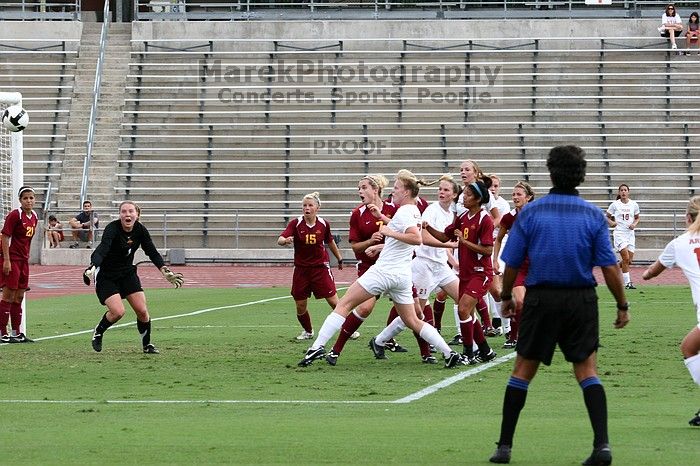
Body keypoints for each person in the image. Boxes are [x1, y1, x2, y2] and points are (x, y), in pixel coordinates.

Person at [489, 145, 630, 465]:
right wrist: (622, 304)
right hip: (581, 299)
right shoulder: (593, 214)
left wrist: (508, 295)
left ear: (550, 172)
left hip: (541, 298)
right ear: (581, 175)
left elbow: (510, 262)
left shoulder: (532, 214)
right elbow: (610, 268)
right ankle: (602, 446)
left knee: (522, 371)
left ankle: (504, 447)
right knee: (587, 372)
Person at [298, 170, 463, 369]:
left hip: (384, 271)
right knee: (413, 320)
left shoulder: (403, 211)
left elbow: (415, 238)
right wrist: (383, 218)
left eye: (396, 188)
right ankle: (449, 352)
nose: (393, 191)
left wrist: (387, 230)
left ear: (406, 192)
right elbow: (403, 229)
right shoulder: (414, 211)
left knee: (344, 305)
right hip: (402, 275)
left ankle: (317, 346)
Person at [83, 201, 184, 354]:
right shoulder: (112, 228)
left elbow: (152, 251)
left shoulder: (141, 230)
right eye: (124, 212)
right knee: (118, 312)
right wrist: (92, 265)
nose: (127, 214)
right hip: (107, 275)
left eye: (131, 211)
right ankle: (98, 331)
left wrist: (164, 269)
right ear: (120, 215)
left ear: (137, 214)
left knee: (142, 311)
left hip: (127, 273)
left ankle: (147, 345)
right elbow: (102, 248)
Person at [424, 179, 498, 365]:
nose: (464, 197)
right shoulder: (463, 217)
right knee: (469, 314)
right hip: (465, 273)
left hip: (480, 273)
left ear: (478, 198)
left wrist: (464, 243)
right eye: (464, 193)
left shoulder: (485, 219)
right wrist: (427, 227)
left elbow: (488, 250)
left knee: (463, 309)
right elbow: (444, 236)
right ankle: (485, 350)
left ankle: (468, 353)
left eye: (467, 194)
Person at [641, 195, 700, 427]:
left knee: (689, 348)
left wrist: (644, 275)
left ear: (687, 218)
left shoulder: (679, 243)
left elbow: (651, 273)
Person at [278, 192, 343, 340]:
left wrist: (339, 257)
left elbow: (330, 241)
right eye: (304, 205)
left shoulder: (324, 224)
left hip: (320, 268)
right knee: (300, 305)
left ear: (317, 208)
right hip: (301, 269)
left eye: (310, 205)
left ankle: (348, 329)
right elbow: (280, 239)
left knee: (334, 302)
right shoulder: (296, 223)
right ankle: (308, 331)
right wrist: (285, 240)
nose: (306, 208)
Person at [492, 181, 536, 349]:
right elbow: (498, 239)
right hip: (518, 267)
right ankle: (513, 336)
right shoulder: (509, 217)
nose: (515, 197)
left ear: (528, 197)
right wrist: (495, 259)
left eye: (519, 194)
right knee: (520, 302)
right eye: (514, 194)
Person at [0, 186, 38, 343]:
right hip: (12, 260)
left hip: (24, 261)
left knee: (20, 296)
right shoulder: (15, 215)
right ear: (20, 200)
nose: (29, 201)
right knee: (8, 295)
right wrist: (7, 260)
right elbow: (5, 236)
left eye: (31, 198)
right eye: (25, 198)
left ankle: (17, 332)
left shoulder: (34, 216)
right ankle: (2, 332)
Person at [606, 184, 640, 290]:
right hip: (620, 234)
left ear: (628, 192)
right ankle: (627, 283)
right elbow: (606, 217)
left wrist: (634, 224)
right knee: (625, 258)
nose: (623, 192)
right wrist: (611, 222)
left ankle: (614, 268)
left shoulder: (634, 204)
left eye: (625, 190)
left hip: (630, 235)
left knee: (629, 261)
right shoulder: (615, 205)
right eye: (621, 190)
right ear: (619, 192)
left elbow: (637, 217)